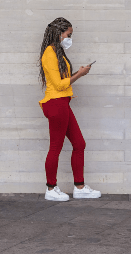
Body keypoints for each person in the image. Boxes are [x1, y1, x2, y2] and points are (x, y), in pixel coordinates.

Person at [38, 17, 101, 201]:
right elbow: (58, 85)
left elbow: (62, 82)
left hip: (62, 103)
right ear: (59, 33)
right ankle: (51, 189)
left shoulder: (57, 52)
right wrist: (79, 75)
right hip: (56, 104)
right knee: (55, 147)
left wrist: (77, 73)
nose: (69, 38)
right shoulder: (50, 53)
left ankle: (79, 187)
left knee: (79, 144)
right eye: (68, 35)